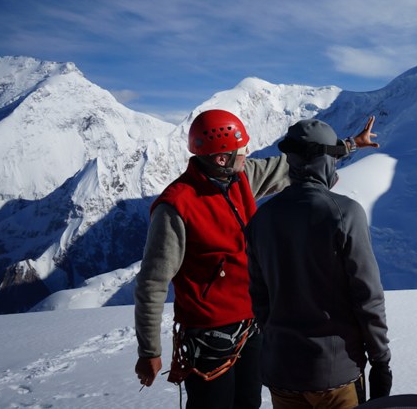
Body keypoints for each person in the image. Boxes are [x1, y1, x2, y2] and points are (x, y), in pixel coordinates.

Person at [134, 109, 379, 409]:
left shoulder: (242, 177)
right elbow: (152, 283)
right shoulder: (176, 206)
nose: (247, 154)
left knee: (249, 402)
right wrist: (149, 351)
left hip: (251, 329)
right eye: (241, 150)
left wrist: (350, 144)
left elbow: (297, 161)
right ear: (221, 158)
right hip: (208, 338)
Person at [245, 118, 392, 409]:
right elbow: (368, 297)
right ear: (327, 162)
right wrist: (380, 361)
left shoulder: (262, 218)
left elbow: (260, 298)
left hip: (281, 371)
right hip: (335, 373)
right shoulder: (345, 214)